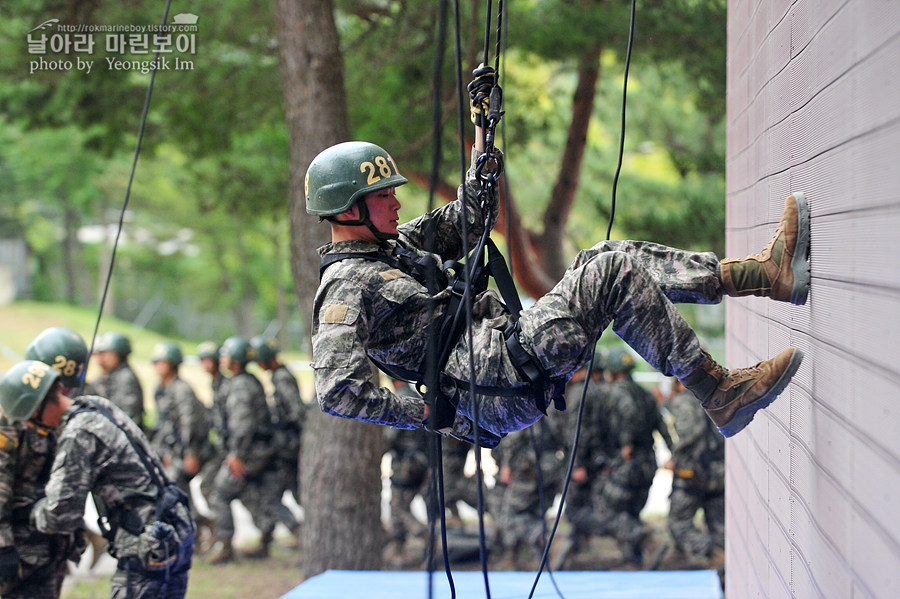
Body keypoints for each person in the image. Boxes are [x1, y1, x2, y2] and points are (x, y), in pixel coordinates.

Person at [306, 67, 810, 444]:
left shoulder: (393, 250)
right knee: (610, 273)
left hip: (505, 353)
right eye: (381, 196)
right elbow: (337, 390)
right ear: (348, 209)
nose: (395, 200)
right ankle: (719, 392)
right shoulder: (346, 287)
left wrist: (483, 136)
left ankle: (762, 275)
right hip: (491, 380)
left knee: (607, 256)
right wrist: (424, 413)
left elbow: (468, 218)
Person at [0, 360, 194, 599]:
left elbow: (60, 515)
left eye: (28, 416)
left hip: (146, 542)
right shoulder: (96, 406)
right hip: (172, 527)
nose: (29, 424)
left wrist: (29, 510)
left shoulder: (77, 434)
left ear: (39, 406)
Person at [0, 328, 89, 599]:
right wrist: (3, 547)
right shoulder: (13, 411)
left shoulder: (64, 413)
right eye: (57, 386)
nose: (62, 394)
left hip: (51, 545)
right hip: (16, 543)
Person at [594, 347, 671, 568]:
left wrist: (626, 444)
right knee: (632, 511)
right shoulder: (645, 394)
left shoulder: (616, 392)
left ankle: (649, 538)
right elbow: (661, 425)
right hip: (648, 460)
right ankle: (635, 559)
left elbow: (627, 414)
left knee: (608, 512)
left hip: (628, 462)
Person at [205, 337, 277, 563]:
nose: (222, 359)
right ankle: (267, 532)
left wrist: (236, 454)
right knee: (245, 491)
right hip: (253, 450)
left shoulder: (240, 385)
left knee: (219, 493)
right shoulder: (243, 381)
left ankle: (226, 548)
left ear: (236, 360)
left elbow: (242, 424)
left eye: (226, 355)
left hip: (249, 452)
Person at [664, 379, 725, 569]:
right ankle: (725, 565)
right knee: (718, 524)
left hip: (694, 472)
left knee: (678, 522)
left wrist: (675, 457)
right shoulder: (716, 397)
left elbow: (690, 432)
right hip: (719, 470)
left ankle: (712, 552)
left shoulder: (685, 400)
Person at [150, 342, 214, 521]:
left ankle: (197, 524)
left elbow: (189, 423)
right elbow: (162, 424)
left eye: (162, 362)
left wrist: (190, 453)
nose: (157, 366)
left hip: (186, 450)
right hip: (171, 450)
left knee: (175, 487)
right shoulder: (161, 389)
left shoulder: (181, 389)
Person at [90, 331, 145, 429]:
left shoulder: (126, 378)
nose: (103, 358)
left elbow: (128, 416)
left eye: (107, 353)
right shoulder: (105, 377)